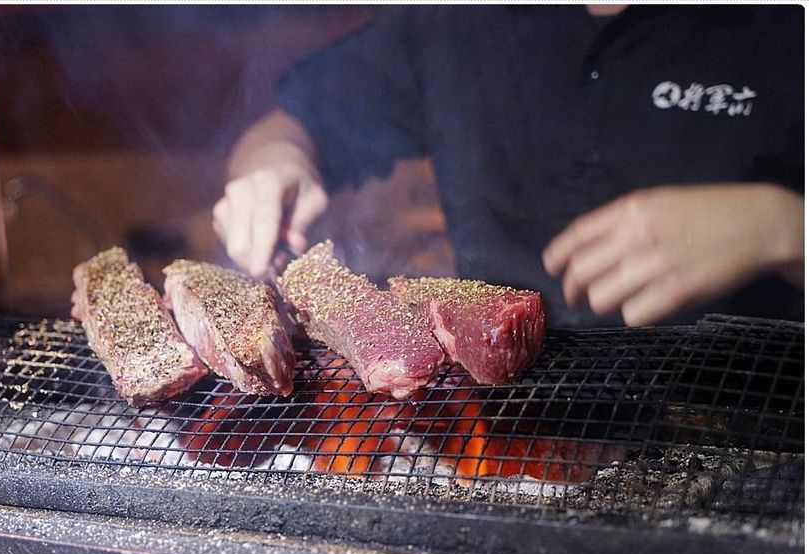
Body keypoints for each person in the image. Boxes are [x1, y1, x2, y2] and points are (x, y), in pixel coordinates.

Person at [212, 4, 804, 327]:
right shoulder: (456, 19)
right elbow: (294, 121)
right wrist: (275, 162)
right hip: (500, 424)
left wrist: (783, 228)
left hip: (741, 440)